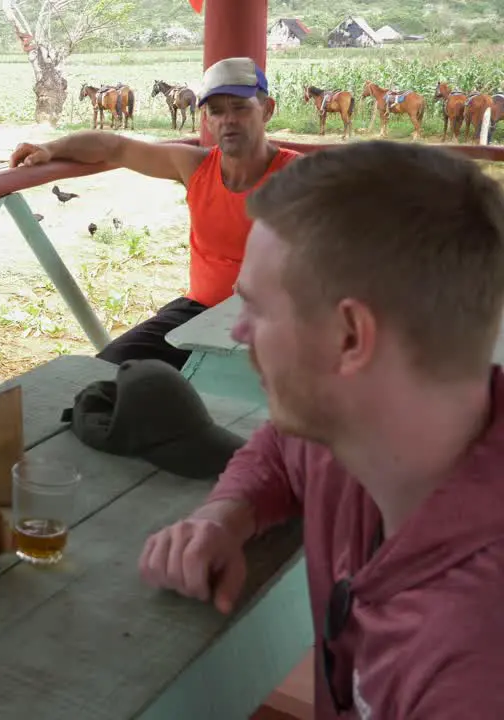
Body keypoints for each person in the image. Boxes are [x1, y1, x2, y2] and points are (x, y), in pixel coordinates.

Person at [137, 140, 504, 716]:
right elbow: (283, 452)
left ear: (350, 337)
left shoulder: (474, 661)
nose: (237, 332)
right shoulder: (370, 433)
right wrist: (226, 515)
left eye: (256, 308)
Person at [10, 57, 300, 369]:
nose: (228, 119)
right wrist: (51, 149)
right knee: (107, 369)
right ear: (206, 119)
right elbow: (115, 148)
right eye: (216, 110)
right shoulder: (194, 167)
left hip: (277, 324)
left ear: (267, 110)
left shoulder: (301, 176)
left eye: (240, 107)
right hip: (197, 314)